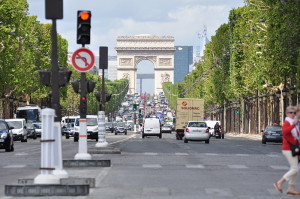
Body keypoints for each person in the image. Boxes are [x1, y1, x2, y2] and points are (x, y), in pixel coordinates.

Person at [274, 106, 300, 195]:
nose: (293, 114)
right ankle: (279, 182)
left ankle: (291, 188)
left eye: (294, 112)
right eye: (290, 112)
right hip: (288, 148)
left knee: (295, 169)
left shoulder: (293, 123)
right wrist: (294, 124)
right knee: (295, 169)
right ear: (287, 114)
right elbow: (285, 132)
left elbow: (297, 135)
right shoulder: (287, 122)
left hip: (293, 148)